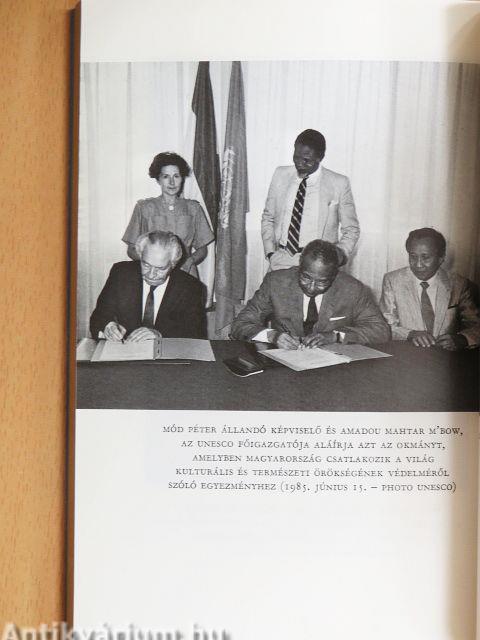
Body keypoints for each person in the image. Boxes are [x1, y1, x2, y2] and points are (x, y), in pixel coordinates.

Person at [231, 239, 389, 348]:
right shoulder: (276, 283)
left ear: (334, 276)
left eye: (322, 282)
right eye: (306, 278)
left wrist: (336, 336)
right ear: (299, 266)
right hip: (285, 366)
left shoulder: (352, 289)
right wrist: (273, 336)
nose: (312, 288)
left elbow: (380, 331)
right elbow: (240, 324)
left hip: (333, 367)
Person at [261, 129, 360, 271]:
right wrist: (270, 253)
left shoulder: (339, 183)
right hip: (280, 259)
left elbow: (351, 229)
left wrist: (337, 256)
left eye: (306, 160)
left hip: (318, 265)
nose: (299, 164)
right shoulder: (280, 174)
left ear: (320, 157)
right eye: (296, 157)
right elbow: (268, 217)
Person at [90, 231, 207, 341]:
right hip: (124, 352)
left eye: (160, 269)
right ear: (140, 256)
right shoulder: (121, 274)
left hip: (167, 354)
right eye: (146, 265)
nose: (151, 274)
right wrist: (108, 326)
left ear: (173, 264)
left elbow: (196, 334)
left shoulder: (191, 287)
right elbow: (99, 316)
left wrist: (160, 335)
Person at [380, 227, 480, 350]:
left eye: (425, 257)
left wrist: (462, 339)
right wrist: (410, 334)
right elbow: (384, 326)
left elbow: (476, 326)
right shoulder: (393, 280)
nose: (418, 264)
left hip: (446, 356)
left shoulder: (458, 284)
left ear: (441, 258)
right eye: (413, 256)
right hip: (407, 353)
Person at [122, 151, 214, 277]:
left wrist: (189, 262)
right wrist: (153, 264)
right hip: (154, 273)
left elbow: (202, 249)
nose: (172, 182)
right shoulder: (144, 208)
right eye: (166, 177)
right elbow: (131, 249)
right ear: (158, 180)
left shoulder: (194, 208)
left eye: (176, 176)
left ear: (182, 179)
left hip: (185, 272)